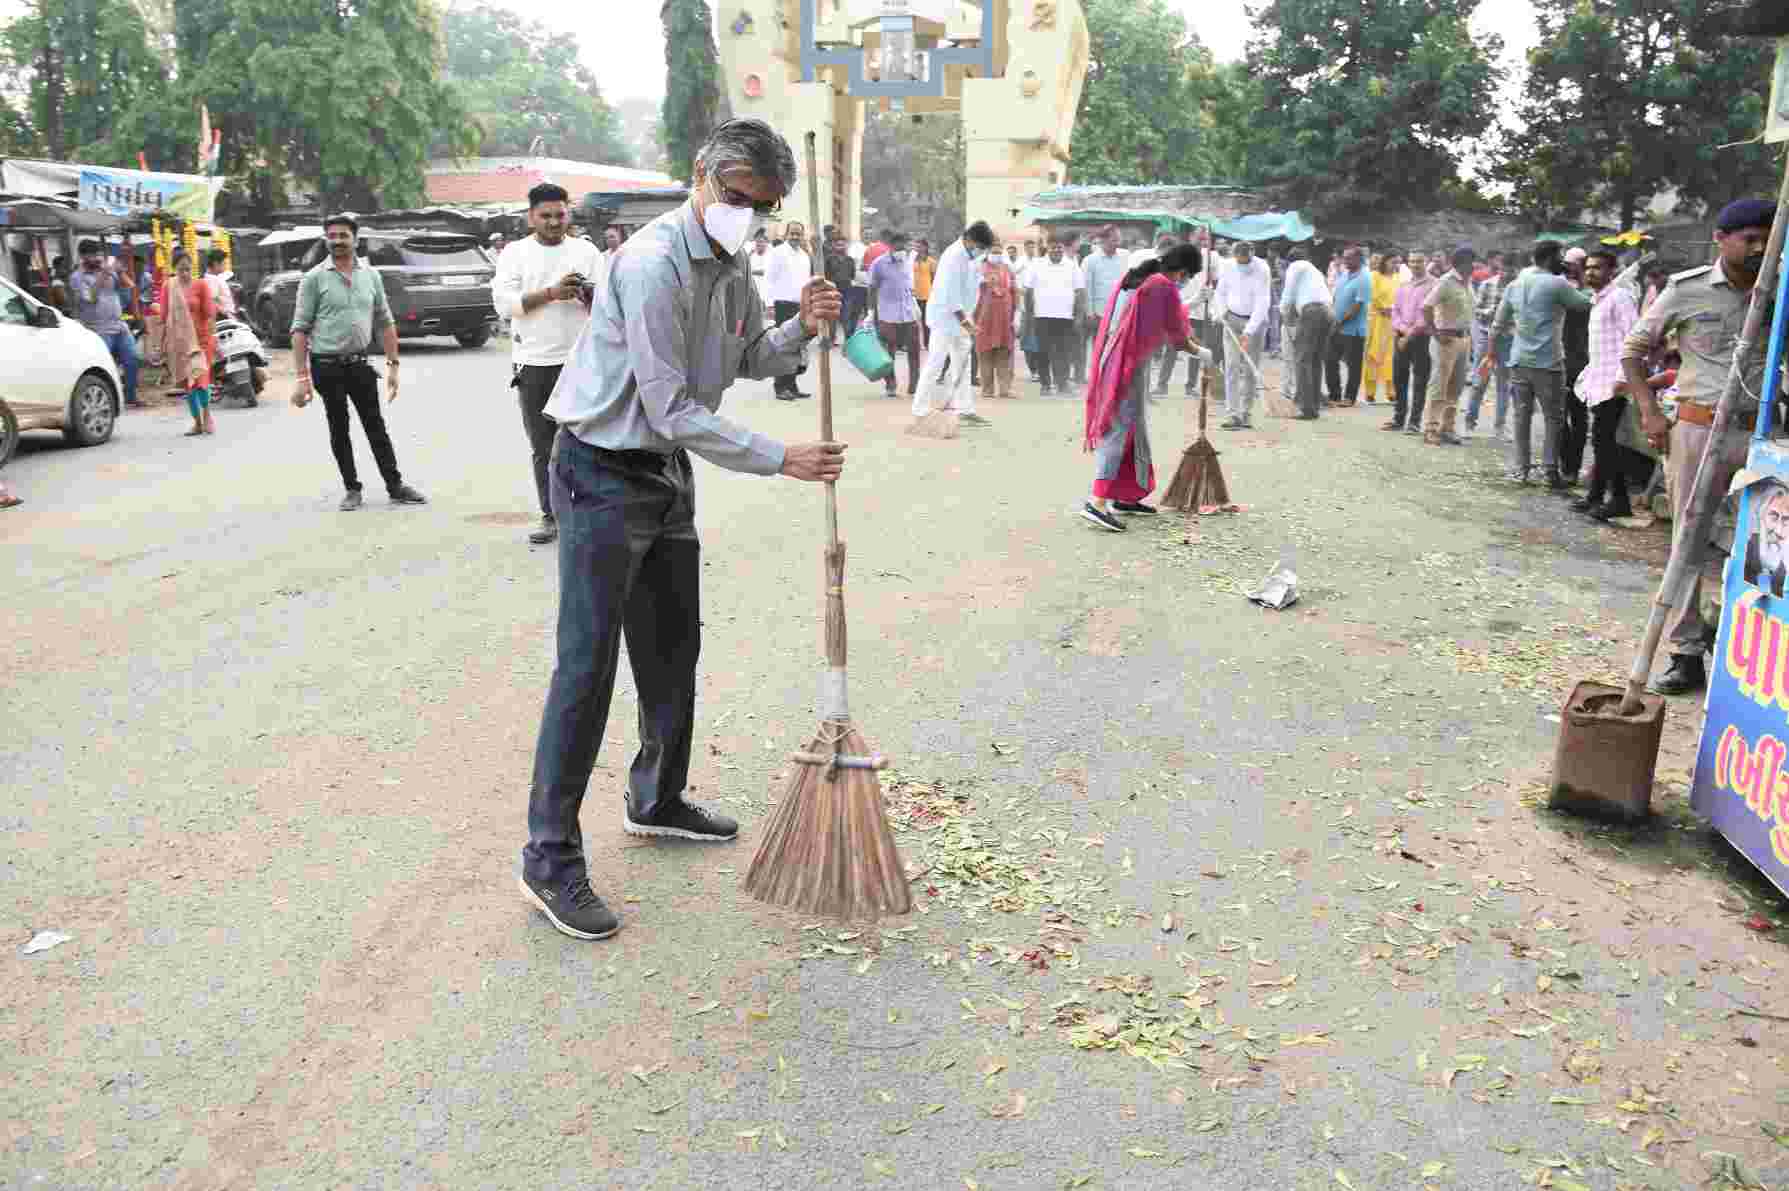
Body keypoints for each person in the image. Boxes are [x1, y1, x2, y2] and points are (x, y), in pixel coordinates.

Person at [521, 117, 844, 941]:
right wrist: (782, 457)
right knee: (587, 667)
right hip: (598, 471)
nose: (749, 217)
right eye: (738, 199)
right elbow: (670, 403)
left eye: (763, 207)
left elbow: (744, 359)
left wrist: (799, 328)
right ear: (701, 176)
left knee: (671, 647)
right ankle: (549, 857)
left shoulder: (728, 260)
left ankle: (655, 797)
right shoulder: (652, 264)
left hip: (663, 473)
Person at [1623, 198, 1775, 696]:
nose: (1758, 248)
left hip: (1761, 435)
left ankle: (1743, 646)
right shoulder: (1687, 290)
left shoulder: (1780, 290)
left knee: (1763, 545)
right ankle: (1686, 652)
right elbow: (1633, 352)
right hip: (1696, 430)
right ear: (1721, 238)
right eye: (1748, 238)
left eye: (1766, 238)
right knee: (1687, 544)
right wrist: (1649, 412)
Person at [290, 213, 429, 511]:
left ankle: (395, 485)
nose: (337, 241)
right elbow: (300, 330)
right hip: (326, 365)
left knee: (375, 425)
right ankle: (352, 488)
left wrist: (393, 366)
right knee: (339, 427)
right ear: (325, 239)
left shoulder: (371, 276)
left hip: (360, 364)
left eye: (343, 235)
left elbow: (385, 321)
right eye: (332, 236)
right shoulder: (314, 279)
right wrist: (302, 378)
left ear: (356, 238)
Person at [493, 181, 604, 545]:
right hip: (534, 362)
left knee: (591, 441)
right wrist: (552, 293)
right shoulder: (514, 254)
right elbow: (504, 305)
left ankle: (590, 512)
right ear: (531, 217)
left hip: (581, 360)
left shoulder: (586, 252)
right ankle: (552, 516)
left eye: (560, 214)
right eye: (546, 216)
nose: (555, 222)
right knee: (544, 447)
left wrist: (587, 292)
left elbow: (608, 303)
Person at [1081, 243, 1204, 532]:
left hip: (1122, 359)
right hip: (1124, 365)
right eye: (1188, 277)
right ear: (1183, 271)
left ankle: (1123, 495)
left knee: (1134, 427)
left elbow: (1167, 317)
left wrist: (1192, 309)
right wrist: (1201, 352)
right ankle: (1097, 501)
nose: (1185, 282)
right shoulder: (1163, 285)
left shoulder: (1145, 277)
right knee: (1119, 428)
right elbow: (1177, 336)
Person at [1490, 241, 1592, 484]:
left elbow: (1497, 325)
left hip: (1519, 360)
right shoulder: (1558, 284)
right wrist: (1583, 280)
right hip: (1548, 362)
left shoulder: (1515, 285)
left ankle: (1522, 468)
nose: (1563, 262)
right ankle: (1549, 470)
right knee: (1553, 418)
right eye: (1560, 257)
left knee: (1521, 416)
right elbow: (1585, 304)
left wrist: (1490, 354)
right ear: (1549, 259)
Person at [1574, 249, 1641, 522]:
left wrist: (1623, 379)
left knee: (1607, 443)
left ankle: (1619, 500)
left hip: (1615, 382)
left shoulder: (1620, 298)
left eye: (1598, 268)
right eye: (1588, 267)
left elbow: (1633, 337)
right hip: (1598, 381)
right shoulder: (1598, 300)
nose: (1591, 272)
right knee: (1602, 442)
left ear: (1611, 271)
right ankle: (1595, 496)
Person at [913, 221, 996, 427]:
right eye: (979, 247)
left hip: (963, 316)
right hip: (945, 318)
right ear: (968, 239)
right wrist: (965, 322)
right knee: (936, 362)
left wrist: (986, 281)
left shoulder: (972, 256)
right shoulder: (953, 256)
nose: (980, 252)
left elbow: (973, 282)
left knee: (963, 364)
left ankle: (965, 410)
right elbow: (950, 295)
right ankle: (920, 410)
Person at [69, 239, 141, 409]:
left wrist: (120, 271)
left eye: (98, 254)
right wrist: (103, 274)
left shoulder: (106, 270)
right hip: (98, 329)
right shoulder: (77, 277)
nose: (96, 258)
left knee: (132, 360)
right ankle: (108, 400)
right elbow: (91, 298)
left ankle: (130, 396)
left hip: (119, 325)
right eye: (92, 255)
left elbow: (130, 285)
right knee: (103, 367)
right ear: (83, 257)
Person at [1420, 246, 1478, 446]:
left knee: (1457, 386)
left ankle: (1448, 428)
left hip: (1463, 340)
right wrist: (1434, 332)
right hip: (1445, 339)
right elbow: (1426, 306)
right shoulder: (1446, 282)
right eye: (1472, 261)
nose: (1474, 265)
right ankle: (1431, 429)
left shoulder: (1467, 283)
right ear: (1461, 263)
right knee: (1439, 385)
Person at [1213, 239, 1271, 429]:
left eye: (1245, 260)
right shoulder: (1228, 266)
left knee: (1249, 368)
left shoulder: (1262, 269)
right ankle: (1232, 414)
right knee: (1231, 366)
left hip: (1254, 322)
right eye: (1239, 260)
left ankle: (1246, 413)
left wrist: (1249, 331)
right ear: (1234, 256)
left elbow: (1263, 303)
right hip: (1231, 319)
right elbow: (1220, 292)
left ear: (1252, 254)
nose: (1242, 264)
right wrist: (1221, 312)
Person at [163, 249, 215, 436]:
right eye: (181, 270)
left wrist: (209, 340)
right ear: (174, 269)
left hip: (200, 342)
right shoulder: (169, 287)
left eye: (187, 269)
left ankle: (207, 415)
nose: (184, 273)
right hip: (180, 343)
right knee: (188, 386)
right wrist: (162, 344)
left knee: (200, 381)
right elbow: (164, 315)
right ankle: (197, 422)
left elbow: (210, 315)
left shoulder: (201, 285)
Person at [1279, 246, 1332, 420]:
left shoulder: (1295, 267)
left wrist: (1283, 310)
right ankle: (1314, 404)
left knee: (1302, 360)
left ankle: (1306, 407)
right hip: (1327, 312)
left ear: (1289, 261)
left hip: (1311, 312)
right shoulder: (1314, 270)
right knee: (1315, 360)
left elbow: (1289, 293)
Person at [1026, 239, 1083, 396]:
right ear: (1047, 249)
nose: (1056, 250)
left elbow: (1079, 291)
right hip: (1042, 316)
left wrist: (1078, 315)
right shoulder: (1037, 264)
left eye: (1059, 247)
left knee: (1063, 352)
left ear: (1063, 249)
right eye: (1053, 247)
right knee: (1043, 352)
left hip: (1065, 317)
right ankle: (1045, 385)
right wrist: (1029, 314)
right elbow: (1029, 291)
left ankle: (1062, 384)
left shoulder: (1072, 266)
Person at [869, 231, 922, 397]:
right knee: (888, 353)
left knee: (914, 350)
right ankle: (891, 385)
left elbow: (909, 286)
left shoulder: (908, 261)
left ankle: (914, 386)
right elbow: (871, 289)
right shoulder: (879, 263)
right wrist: (872, 313)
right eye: (897, 244)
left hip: (908, 313)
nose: (901, 247)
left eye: (903, 244)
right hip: (888, 314)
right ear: (890, 246)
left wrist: (915, 307)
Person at [1387, 251, 1434, 433]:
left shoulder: (1433, 285)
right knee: (1399, 377)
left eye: (1419, 261)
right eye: (1412, 261)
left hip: (1422, 337)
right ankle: (1398, 418)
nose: (1415, 265)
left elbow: (1427, 315)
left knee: (1420, 379)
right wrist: (1402, 331)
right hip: (1401, 335)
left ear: (1426, 262)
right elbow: (1395, 311)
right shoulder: (1404, 285)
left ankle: (1414, 422)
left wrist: (1409, 334)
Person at [764, 221, 811, 399]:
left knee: (797, 346)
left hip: (800, 306)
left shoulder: (804, 255)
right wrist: (769, 304)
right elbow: (769, 279)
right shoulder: (777, 253)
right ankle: (780, 387)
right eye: (792, 233)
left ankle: (792, 386)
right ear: (786, 234)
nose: (795, 237)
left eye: (798, 234)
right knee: (783, 346)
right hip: (782, 305)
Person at [1468, 251, 1513, 435]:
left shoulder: (1518, 287)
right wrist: (1496, 311)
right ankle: (1470, 421)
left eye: (1512, 269)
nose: (1509, 272)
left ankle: (1500, 426)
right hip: (1487, 338)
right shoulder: (1487, 285)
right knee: (1480, 381)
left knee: (1504, 384)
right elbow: (1477, 311)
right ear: (1501, 266)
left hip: (1508, 339)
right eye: (1506, 268)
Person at [1559, 248, 1592, 482]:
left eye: (1572, 264)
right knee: (1560, 416)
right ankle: (1566, 464)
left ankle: (1572, 467)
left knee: (1579, 417)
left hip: (1581, 361)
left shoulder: (1590, 292)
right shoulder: (1561, 287)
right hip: (1561, 358)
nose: (1568, 268)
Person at [973, 238, 1017, 400]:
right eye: (994, 252)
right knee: (985, 352)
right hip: (984, 316)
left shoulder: (1007, 268)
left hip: (1005, 317)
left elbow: (1014, 290)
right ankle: (987, 389)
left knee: (1004, 352)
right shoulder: (978, 268)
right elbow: (971, 288)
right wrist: (982, 281)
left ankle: (1005, 389)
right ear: (987, 252)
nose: (996, 255)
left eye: (999, 252)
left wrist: (1017, 313)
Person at [1327, 245, 1369, 406]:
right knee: (1330, 360)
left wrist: (1340, 321)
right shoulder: (1344, 274)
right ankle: (1334, 395)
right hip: (1336, 325)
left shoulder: (1364, 277)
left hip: (1354, 330)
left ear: (1359, 259)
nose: (1345, 260)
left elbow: (1357, 306)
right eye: (1344, 257)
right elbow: (1336, 297)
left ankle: (1349, 397)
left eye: (1349, 258)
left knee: (1353, 365)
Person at [1361, 252, 1400, 403]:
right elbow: (1373, 295)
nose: (1394, 265)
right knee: (1373, 355)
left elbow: (1401, 297)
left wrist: (1395, 310)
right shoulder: (1375, 275)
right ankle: (1370, 392)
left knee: (1391, 357)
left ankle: (1392, 392)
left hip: (1393, 322)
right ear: (1384, 262)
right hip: (1377, 320)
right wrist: (1383, 308)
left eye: (1396, 263)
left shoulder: (1398, 278)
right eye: (1392, 262)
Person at [1743, 481, 1789, 598]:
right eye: (1773, 517)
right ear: (1762, 515)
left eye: (1785, 520)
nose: (1778, 529)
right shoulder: (1749, 545)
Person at [912, 238, 935, 348]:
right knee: (913, 322)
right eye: (916, 246)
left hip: (927, 295)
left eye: (919, 246)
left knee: (926, 321)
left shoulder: (931, 261)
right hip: (914, 295)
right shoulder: (912, 260)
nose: (917, 248)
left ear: (925, 247)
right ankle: (914, 343)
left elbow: (935, 279)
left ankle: (927, 343)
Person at [204, 248, 237, 318]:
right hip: (224, 317)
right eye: (223, 263)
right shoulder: (211, 280)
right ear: (216, 264)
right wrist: (227, 314)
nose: (225, 266)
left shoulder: (216, 277)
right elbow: (213, 301)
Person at [748, 227, 772, 304]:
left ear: (766, 243)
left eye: (761, 241)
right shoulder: (751, 254)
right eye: (757, 242)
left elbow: (766, 272)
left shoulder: (770, 255)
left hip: (764, 294)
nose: (759, 244)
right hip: (752, 292)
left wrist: (749, 272)